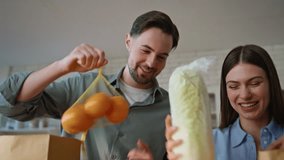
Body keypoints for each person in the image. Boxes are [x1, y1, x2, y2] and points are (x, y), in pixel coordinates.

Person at [0, 10, 179, 160]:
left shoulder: (173, 110)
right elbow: (11, 104)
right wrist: (61, 66)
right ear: (128, 42)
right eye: (145, 50)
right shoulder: (83, 86)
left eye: (161, 57)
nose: (151, 62)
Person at [165, 44, 284, 160]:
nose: (245, 95)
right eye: (233, 86)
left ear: (271, 83)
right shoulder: (210, 141)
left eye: (255, 83)